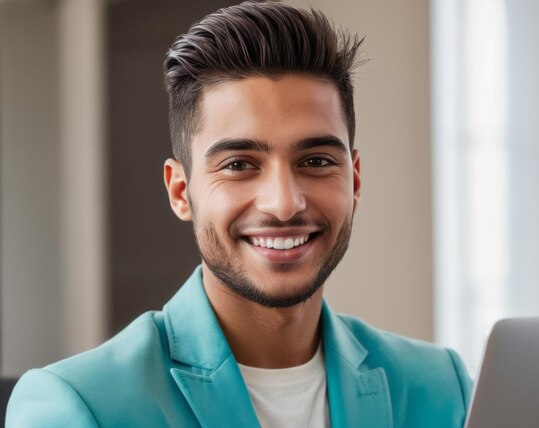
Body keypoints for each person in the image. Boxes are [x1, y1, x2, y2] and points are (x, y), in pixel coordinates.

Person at [7, 2, 472, 427]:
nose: (284, 203)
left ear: (353, 180)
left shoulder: (442, 388)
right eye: (239, 165)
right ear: (181, 191)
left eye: (314, 161)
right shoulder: (79, 405)